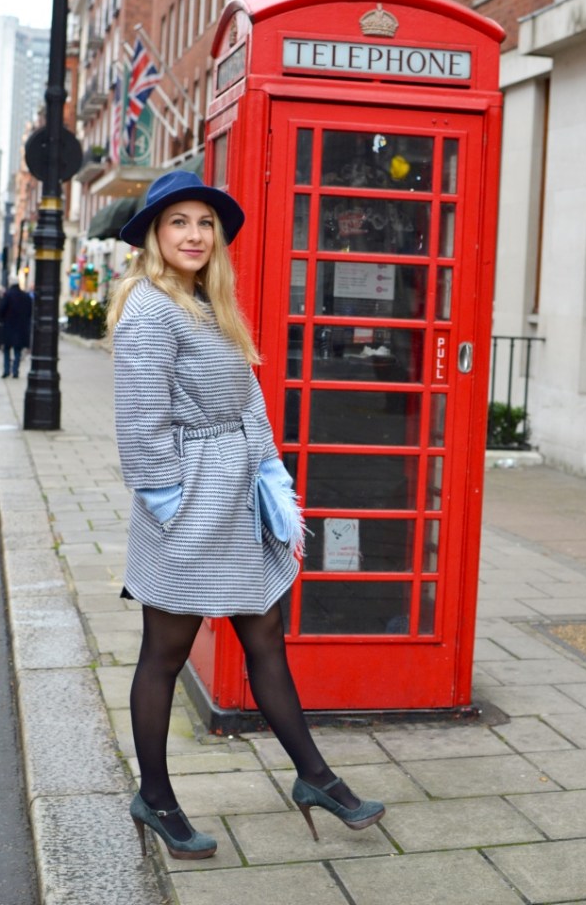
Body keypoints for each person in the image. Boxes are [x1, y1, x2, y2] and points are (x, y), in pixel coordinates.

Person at [108, 170, 384, 862]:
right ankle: (157, 799)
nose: (195, 234)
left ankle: (315, 778)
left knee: (264, 634)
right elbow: (141, 426)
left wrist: (270, 479)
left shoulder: (207, 302)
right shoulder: (150, 309)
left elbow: (249, 399)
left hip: (234, 496)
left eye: (205, 222)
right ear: (152, 235)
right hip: (188, 506)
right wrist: (173, 508)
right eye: (179, 222)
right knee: (164, 654)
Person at [0, 282, 32, 378]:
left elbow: (1, 310)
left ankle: (6, 370)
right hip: (21, 327)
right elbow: (30, 312)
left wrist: (3, 319)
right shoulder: (26, 296)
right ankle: (15, 371)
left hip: (9, 326)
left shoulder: (8, 296)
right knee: (18, 350)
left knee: (6, 350)